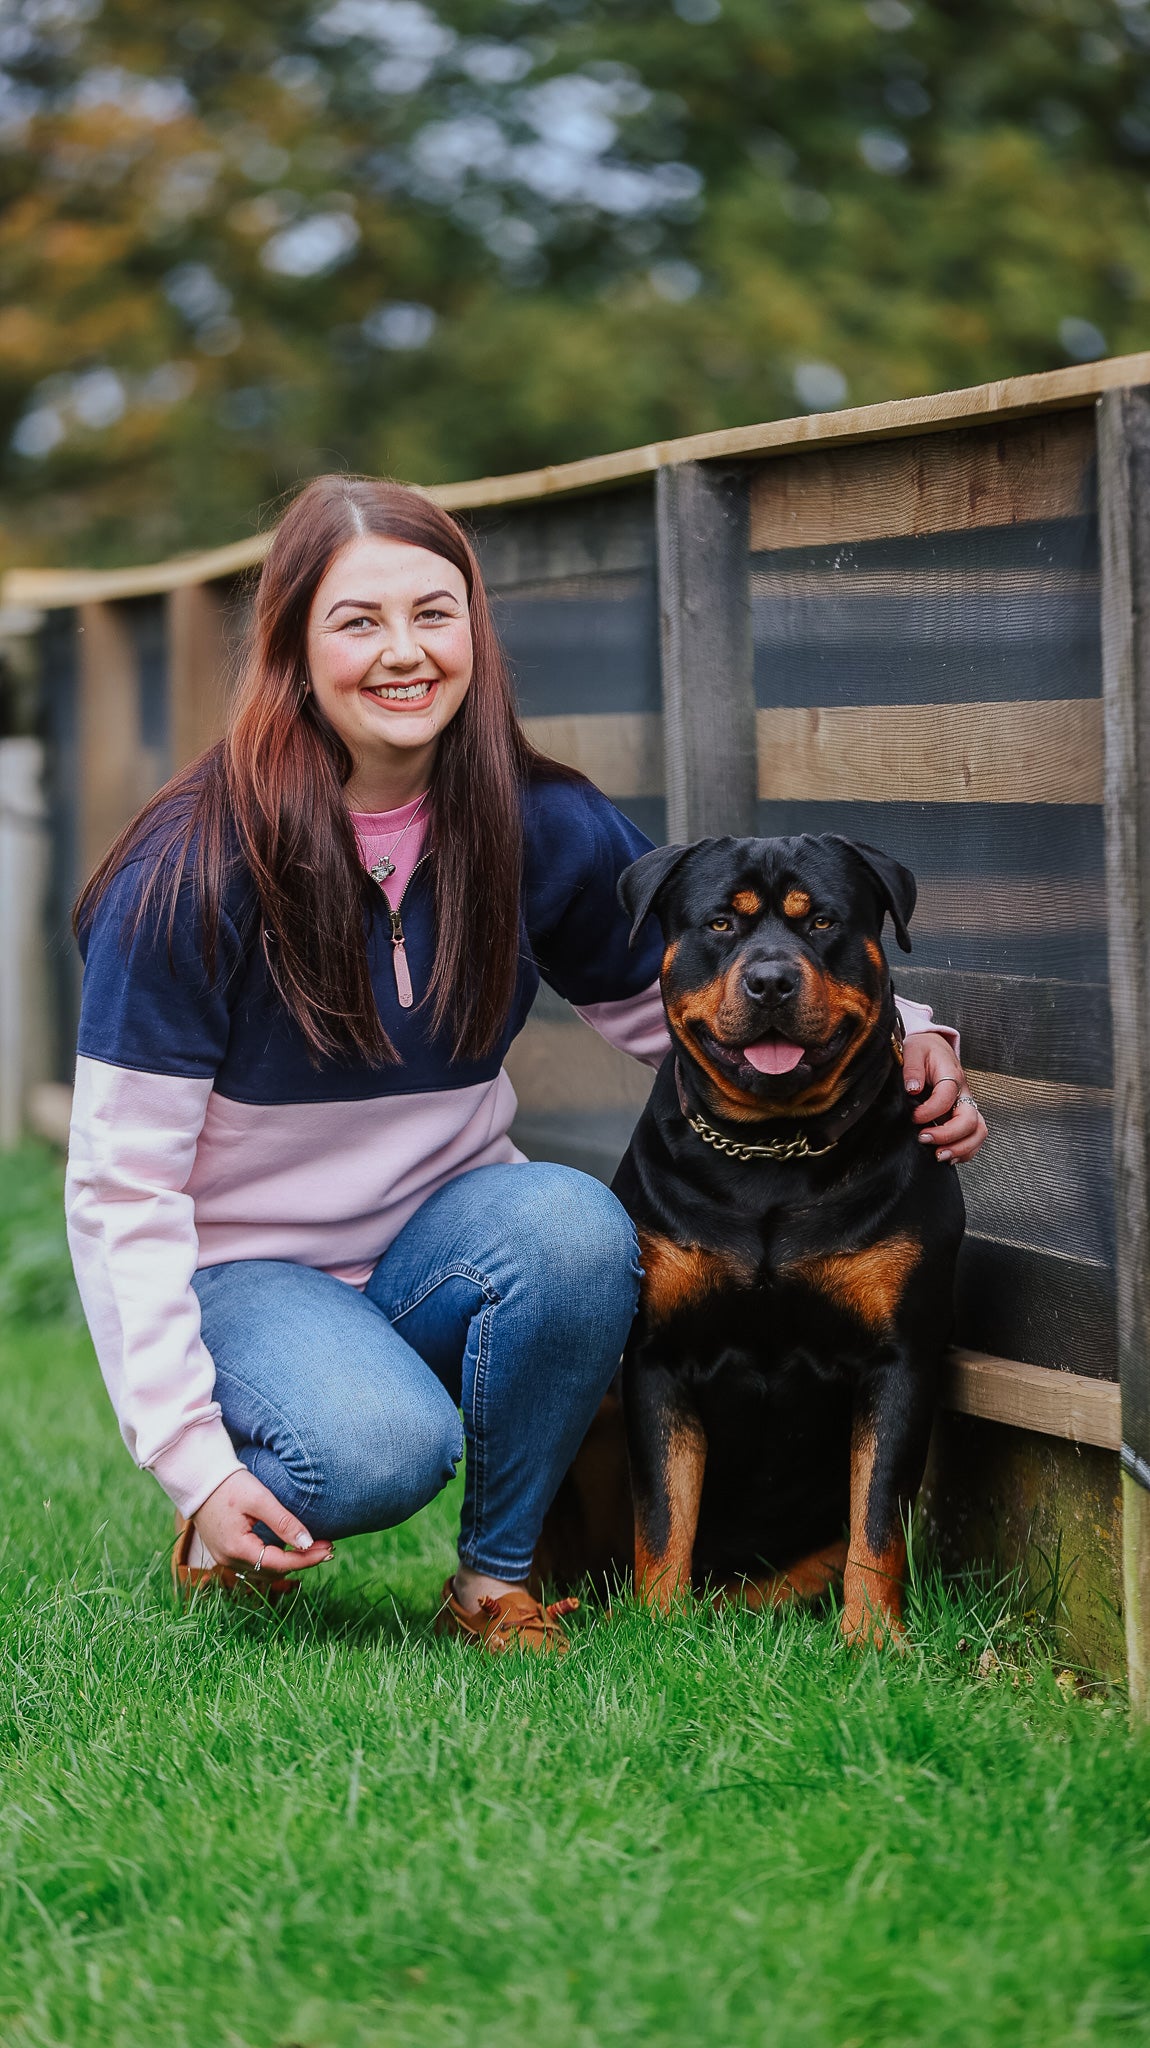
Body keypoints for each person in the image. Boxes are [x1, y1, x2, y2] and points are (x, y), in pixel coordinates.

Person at [65, 476, 987, 1655]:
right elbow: (118, 1187)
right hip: (247, 1274)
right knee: (372, 1449)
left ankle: (495, 1582)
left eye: (434, 614)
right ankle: (238, 1510)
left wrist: (909, 1032)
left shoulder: (536, 820)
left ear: (474, 631)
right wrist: (190, 1457)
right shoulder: (192, 868)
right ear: (293, 642)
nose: (405, 653)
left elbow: (706, 998)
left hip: (440, 1249)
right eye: (357, 621)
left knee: (574, 1225)